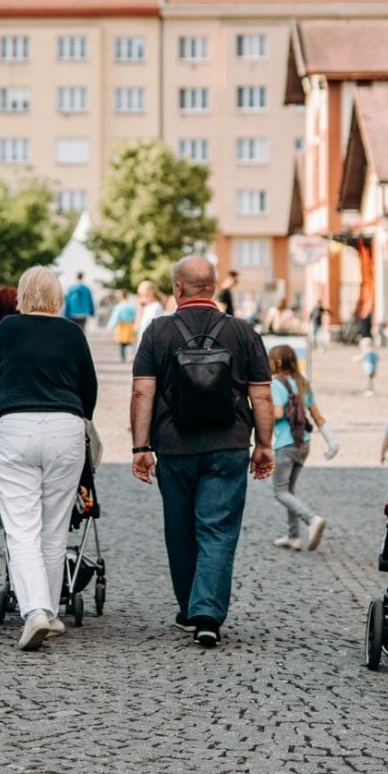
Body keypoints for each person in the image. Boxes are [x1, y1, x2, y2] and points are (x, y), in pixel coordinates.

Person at [130, 256, 274, 648]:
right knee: (217, 529)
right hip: (228, 446)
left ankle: (187, 611)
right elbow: (261, 394)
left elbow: (143, 390)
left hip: (174, 447)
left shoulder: (158, 331)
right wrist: (264, 445)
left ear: (178, 288)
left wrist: (141, 447)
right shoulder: (242, 332)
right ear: (211, 287)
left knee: (180, 530)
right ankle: (207, 612)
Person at [0, 266, 98, 650]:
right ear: (57, 296)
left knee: (21, 526)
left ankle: (35, 612)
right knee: (55, 526)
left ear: (23, 295)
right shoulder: (72, 332)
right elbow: (89, 388)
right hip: (65, 429)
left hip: (16, 428)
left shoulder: (9, 328)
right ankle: (50, 610)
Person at [267, 344, 328, 552]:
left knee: (279, 491)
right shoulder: (302, 382)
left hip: (286, 443)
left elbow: (275, 414)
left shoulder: (277, 385)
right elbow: (315, 412)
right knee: (289, 489)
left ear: (277, 362)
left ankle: (312, 519)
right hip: (304, 442)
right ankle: (293, 536)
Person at [108, 290, 138, 362]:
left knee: (122, 343)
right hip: (130, 325)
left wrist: (111, 326)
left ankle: (123, 357)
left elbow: (115, 316)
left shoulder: (119, 306)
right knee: (130, 341)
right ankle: (131, 355)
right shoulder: (131, 306)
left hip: (121, 325)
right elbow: (135, 315)